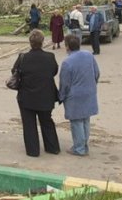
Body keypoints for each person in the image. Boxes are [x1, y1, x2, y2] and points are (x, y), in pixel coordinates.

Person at [12, 29, 60, 157]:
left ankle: (33, 150)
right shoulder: (50, 57)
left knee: (29, 124)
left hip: (26, 96)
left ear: (30, 42)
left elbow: (14, 72)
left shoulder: (23, 58)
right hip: (46, 96)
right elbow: (54, 71)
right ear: (42, 42)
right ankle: (52, 147)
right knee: (47, 121)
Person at [58, 34, 100, 156]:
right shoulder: (88, 55)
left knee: (76, 122)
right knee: (86, 120)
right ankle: (83, 145)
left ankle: (79, 148)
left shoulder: (67, 62)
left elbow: (64, 84)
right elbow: (96, 73)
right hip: (89, 92)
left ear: (67, 47)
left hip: (75, 96)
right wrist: (92, 85)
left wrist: (61, 97)